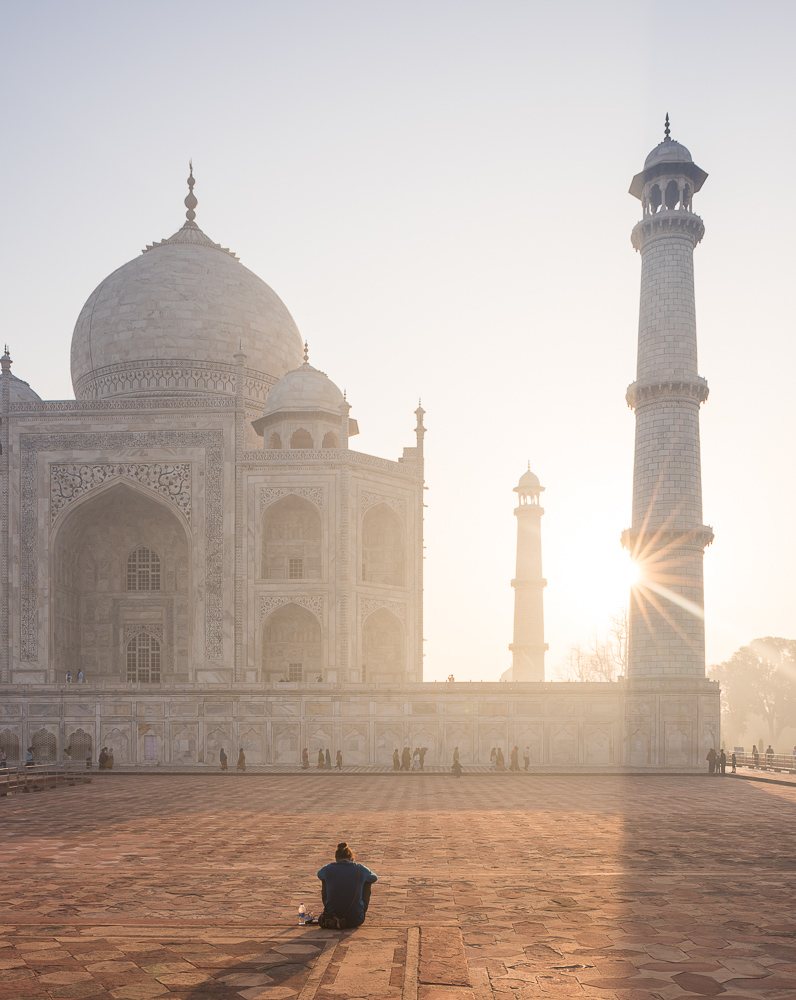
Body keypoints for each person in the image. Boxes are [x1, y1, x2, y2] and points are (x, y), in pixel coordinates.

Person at [317, 842, 378, 928]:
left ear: (336, 858)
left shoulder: (328, 868)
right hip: (356, 919)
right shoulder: (360, 869)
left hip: (332, 917)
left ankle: (330, 908)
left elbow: (319, 875)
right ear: (352, 858)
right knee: (367, 881)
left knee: (325, 879)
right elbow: (374, 878)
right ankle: (358, 908)